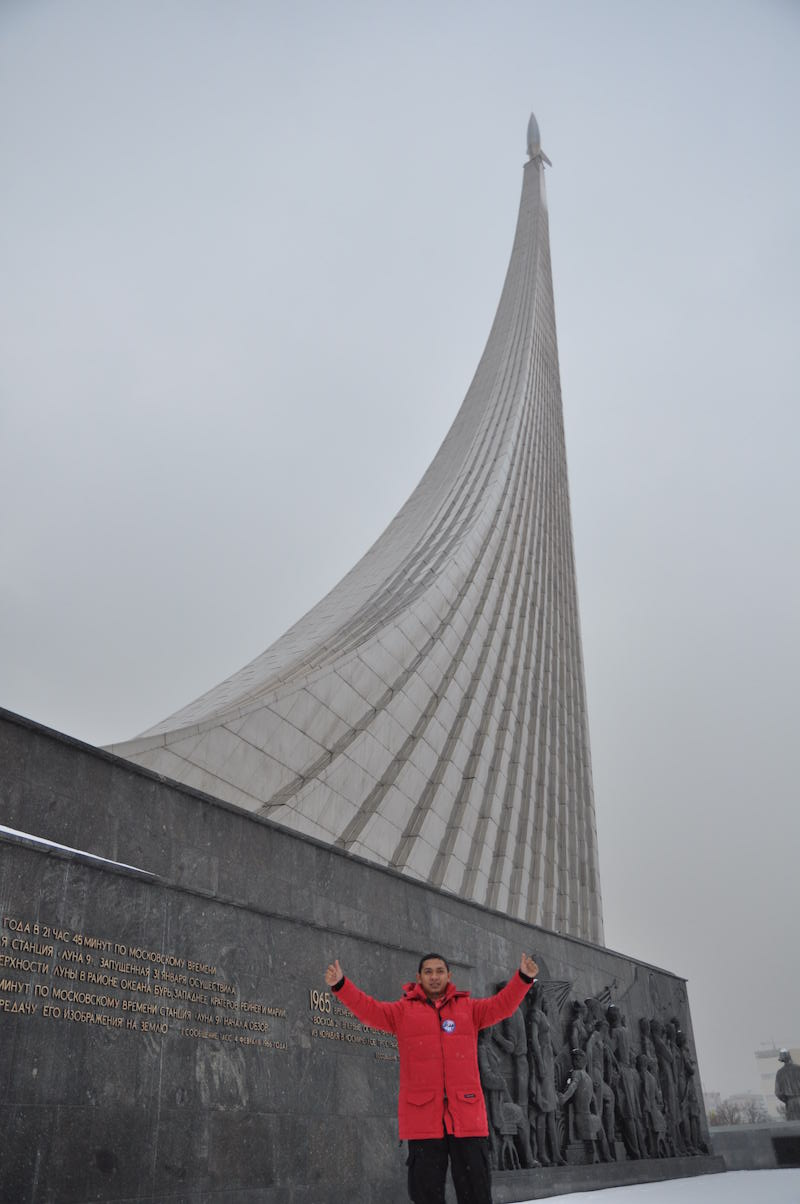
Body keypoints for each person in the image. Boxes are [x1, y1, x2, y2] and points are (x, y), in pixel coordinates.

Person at [324, 951, 538, 1204]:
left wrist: (523, 978)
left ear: (449, 975)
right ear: (419, 977)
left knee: (476, 1193)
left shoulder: (469, 1009)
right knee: (426, 1195)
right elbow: (369, 1010)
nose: (434, 977)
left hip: (467, 1117)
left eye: (439, 971)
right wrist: (341, 985)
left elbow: (502, 1005)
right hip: (423, 1119)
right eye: (428, 972)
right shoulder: (403, 1012)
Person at [775, 1049, 800, 1121]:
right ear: (790, 1057)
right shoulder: (798, 1069)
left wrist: (787, 1100)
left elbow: (778, 1093)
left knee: (795, 1127)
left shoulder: (779, 1073)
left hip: (791, 1103)